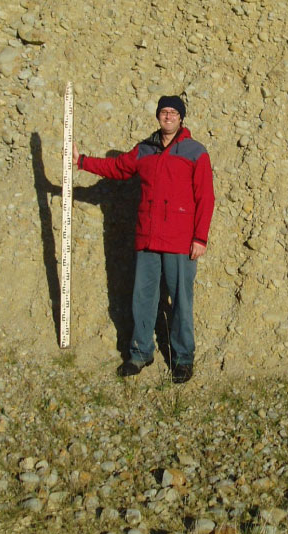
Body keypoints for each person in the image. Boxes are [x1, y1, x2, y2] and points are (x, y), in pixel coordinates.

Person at [73, 95, 214, 383]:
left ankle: (183, 359)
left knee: (181, 302)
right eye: (164, 112)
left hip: (179, 240)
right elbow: (117, 168)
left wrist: (200, 237)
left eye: (174, 112)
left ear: (181, 118)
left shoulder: (195, 151)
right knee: (142, 298)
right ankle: (140, 354)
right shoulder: (144, 150)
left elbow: (206, 197)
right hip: (148, 238)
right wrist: (81, 161)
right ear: (158, 116)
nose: (169, 116)